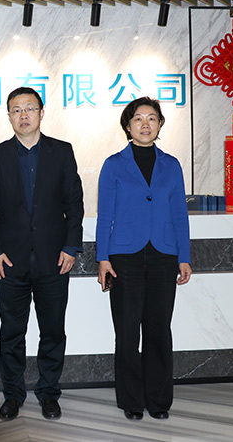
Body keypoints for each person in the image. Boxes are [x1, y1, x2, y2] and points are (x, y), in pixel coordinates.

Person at [0, 87, 84, 421]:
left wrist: (71, 246)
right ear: (9, 116)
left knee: (52, 331)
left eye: (29, 108)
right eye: (16, 110)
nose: (23, 115)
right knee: (12, 333)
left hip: (55, 259)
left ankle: (49, 393)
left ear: (41, 112)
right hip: (10, 261)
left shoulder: (61, 151)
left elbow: (74, 204)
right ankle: (13, 395)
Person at [96, 96, 192, 421]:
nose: (145, 124)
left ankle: (159, 400)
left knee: (159, 330)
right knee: (127, 332)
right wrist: (103, 258)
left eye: (152, 118)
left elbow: (179, 214)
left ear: (160, 124)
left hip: (164, 255)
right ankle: (132, 401)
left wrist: (184, 256)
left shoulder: (172, 165)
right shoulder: (113, 164)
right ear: (128, 126)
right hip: (125, 257)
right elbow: (104, 216)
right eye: (138, 118)